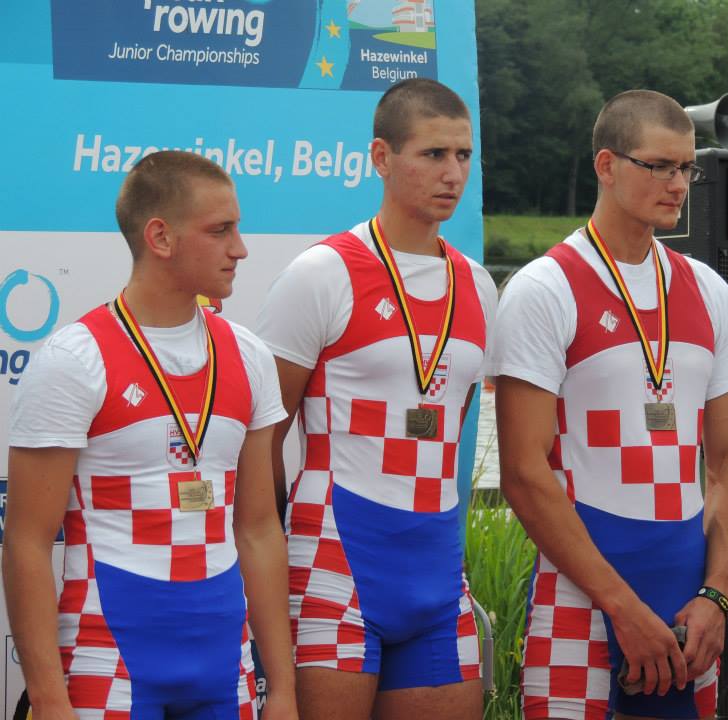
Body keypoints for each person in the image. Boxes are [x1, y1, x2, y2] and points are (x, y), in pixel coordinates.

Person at [2, 151, 296, 718]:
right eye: (221, 230)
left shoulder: (248, 355)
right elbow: (27, 543)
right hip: (107, 661)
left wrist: (281, 689)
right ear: (160, 237)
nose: (240, 248)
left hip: (224, 668)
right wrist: (48, 699)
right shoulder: (75, 359)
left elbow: (259, 529)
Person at [491, 89, 728, 719]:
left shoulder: (709, 290)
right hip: (581, 599)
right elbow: (523, 472)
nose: (678, 184)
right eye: (658, 166)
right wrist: (622, 607)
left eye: (686, 167)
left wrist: (717, 595)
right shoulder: (544, 288)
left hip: (687, 601)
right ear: (606, 166)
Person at [255, 78, 497, 720]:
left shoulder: (478, 286)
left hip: (436, 574)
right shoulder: (322, 273)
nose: (453, 173)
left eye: (463, 155)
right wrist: (268, 555)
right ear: (382, 157)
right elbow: (261, 440)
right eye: (433, 154)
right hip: (334, 563)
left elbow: (449, 431)